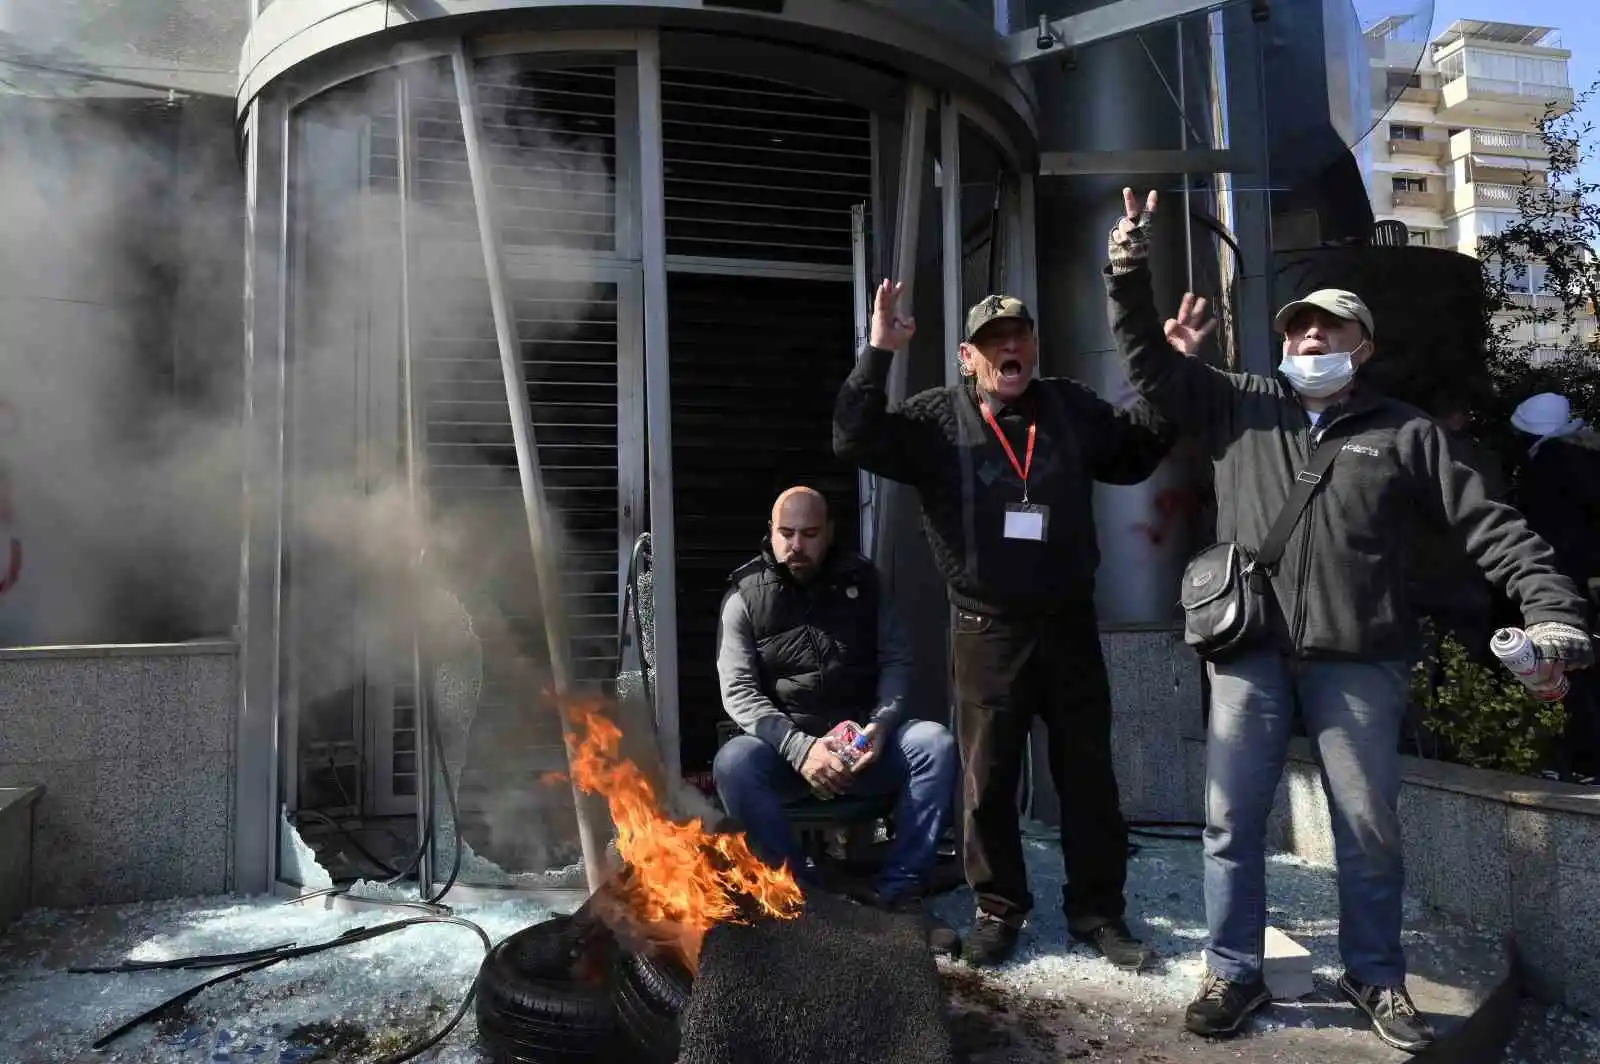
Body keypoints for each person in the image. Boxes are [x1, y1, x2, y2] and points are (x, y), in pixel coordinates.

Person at [1104, 187, 1594, 1051]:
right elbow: (1150, 365)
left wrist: (1552, 610)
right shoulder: (1238, 403)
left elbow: (1493, 525)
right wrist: (1126, 273)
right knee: (1230, 822)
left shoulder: (1405, 433)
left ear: (1361, 347)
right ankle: (1232, 972)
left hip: (1361, 659)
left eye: (1329, 329)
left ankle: (1376, 977)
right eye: (1298, 329)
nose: (1310, 340)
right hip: (1248, 651)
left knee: (1367, 828)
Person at [832, 281, 1176, 971]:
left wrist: (1169, 373)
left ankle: (1099, 912)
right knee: (986, 779)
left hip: (1070, 622)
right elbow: (853, 437)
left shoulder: (1071, 407)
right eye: (993, 342)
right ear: (968, 357)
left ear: (1034, 347)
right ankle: (998, 908)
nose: (1009, 348)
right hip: (986, 629)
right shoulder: (934, 420)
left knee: (1087, 774)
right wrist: (879, 352)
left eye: (1018, 336)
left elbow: (1135, 451)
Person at [712, 486, 960, 929]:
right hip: (787, 754)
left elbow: (896, 660)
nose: (796, 546)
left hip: (864, 749)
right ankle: (799, 894)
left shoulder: (866, 582)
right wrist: (801, 749)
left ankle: (901, 890)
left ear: (829, 532)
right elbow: (738, 691)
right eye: (786, 533)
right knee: (733, 763)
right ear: (770, 533)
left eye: (809, 533)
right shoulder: (743, 595)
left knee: (934, 744)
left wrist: (881, 727)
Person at [1508, 392, 1600, 781]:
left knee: (1567, 669)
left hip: (1564, 582)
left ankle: (1580, 758)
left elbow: (1545, 534)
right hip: (1586, 578)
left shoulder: (1548, 466)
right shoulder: (1585, 458)